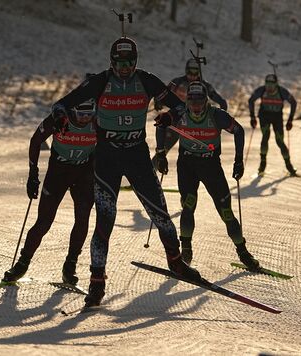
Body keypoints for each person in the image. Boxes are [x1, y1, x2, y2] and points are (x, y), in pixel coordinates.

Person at [51, 36, 201, 308]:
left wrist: (170, 117)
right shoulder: (99, 82)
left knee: (160, 212)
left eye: (130, 62)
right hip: (107, 156)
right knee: (105, 220)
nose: (125, 68)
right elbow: (61, 104)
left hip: (136, 154)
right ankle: (97, 283)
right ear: (112, 61)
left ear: (136, 61)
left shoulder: (146, 80)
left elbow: (181, 107)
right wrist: (61, 118)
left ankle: (176, 263)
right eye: (120, 62)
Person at [153, 81, 259, 269]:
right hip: (187, 166)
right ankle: (185, 251)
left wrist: (239, 160)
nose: (195, 107)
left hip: (211, 167)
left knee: (226, 212)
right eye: (192, 102)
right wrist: (160, 153)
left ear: (206, 101)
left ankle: (243, 252)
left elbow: (239, 130)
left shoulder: (217, 115)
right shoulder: (180, 113)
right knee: (188, 206)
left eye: (199, 102)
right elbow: (161, 124)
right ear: (187, 101)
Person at [2, 99, 97, 285]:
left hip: (84, 172)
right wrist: (33, 174)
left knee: (83, 217)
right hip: (59, 172)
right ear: (72, 111)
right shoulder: (59, 119)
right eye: (81, 114)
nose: (85, 119)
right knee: (44, 221)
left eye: (89, 114)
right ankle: (22, 263)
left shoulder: (97, 121)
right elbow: (35, 141)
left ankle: (70, 265)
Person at [155, 58, 228, 152]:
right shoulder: (177, 82)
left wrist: (220, 116)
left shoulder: (204, 86)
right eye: (190, 72)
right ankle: (155, 165)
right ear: (186, 70)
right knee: (164, 148)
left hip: (196, 123)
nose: (192, 76)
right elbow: (162, 94)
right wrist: (158, 102)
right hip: (177, 119)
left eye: (195, 73)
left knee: (198, 152)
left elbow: (221, 101)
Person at [248, 74, 297, 176]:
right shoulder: (262, 90)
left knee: (279, 141)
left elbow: (294, 102)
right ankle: (263, 163)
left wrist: (290, 120)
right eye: (267, 84)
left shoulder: (281, 91)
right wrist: (252, 117)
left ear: (276, 84)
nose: (269, 87)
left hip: (277, 117)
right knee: (265, 136)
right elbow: (251, 100)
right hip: (264, 116)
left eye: (272, 84)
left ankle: (288, 165)